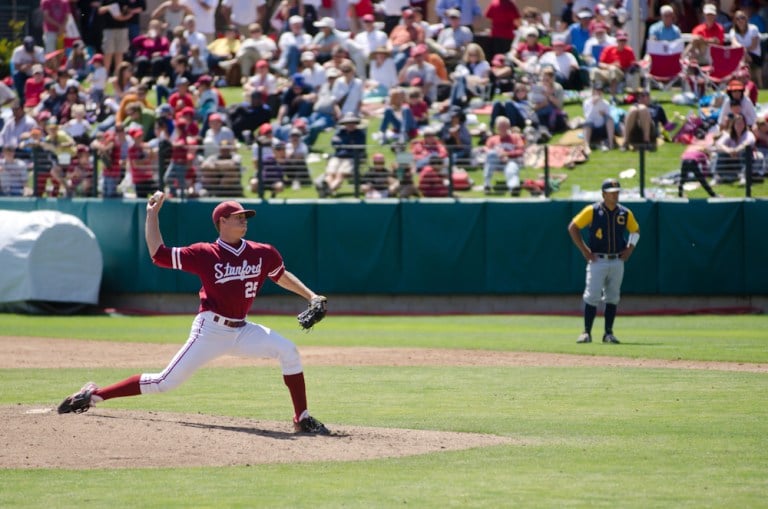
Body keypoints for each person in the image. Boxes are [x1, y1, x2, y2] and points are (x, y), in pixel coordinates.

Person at [57, 197, 331, 436]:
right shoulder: (204, 253)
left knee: (289, 351)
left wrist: (311, 296)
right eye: (238, 217)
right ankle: (93, 395)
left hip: (242, 330)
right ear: (222, 222)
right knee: (164, 383)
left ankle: (302, 418)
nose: (244, 221)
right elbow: (158, 255)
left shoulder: (262, 252)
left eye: (245, 217)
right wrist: (152, 215)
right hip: (210, 331)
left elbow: (280, 275)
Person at [568, 178, 640, 344]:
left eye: (617, 192)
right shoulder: (592, 210)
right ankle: (586, 332)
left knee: (613, 297)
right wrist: (584, 250)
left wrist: (630, 248)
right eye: (611, 193)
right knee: (592, 295)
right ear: (603, 194)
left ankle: (608, 333)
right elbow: (573, 227)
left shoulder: (624, 212)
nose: (615, 195)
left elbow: (635, 230)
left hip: (616, 259)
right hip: (597, 259)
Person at [316, 113, 366, 197]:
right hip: (337, 157)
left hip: (351, 158)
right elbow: (334, 143)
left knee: (340, 174)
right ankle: (326, 187)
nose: (350, 125)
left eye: (352, 122)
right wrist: (345, 144)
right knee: (330, 173)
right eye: (348, 123)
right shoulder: (340, 132)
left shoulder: (360, 134)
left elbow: (358, 147)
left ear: (355, 123)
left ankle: (327, 190)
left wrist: (344, 145)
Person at [482, 116, 524, 196]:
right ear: (496, 127)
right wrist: (498, 154)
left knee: (511, 168)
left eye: (505, 126)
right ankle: (487, 185)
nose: (502, 128)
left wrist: (507, 154)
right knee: (491, 155)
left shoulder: (515, 137)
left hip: (511, 161)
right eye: (500, 126)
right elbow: (486, 149)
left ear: (509, 127)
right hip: (495, 162)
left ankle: (514, 188)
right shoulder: (492, 139)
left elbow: (521, 150)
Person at [714, 113, 756, 184]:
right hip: (732, 159)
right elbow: (719, 144)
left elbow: (749, 142)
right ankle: (717, 177)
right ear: (733, 125)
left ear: (744, 124)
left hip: (744, 159)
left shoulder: (748, 134)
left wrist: (736, 150)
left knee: (745, 151)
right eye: (737, 123)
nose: (739, 125)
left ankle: (743, 176)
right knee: (720, 153)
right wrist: (729, 150)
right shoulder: (729, 134)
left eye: (741, 123)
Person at [730, 10, 762, 88]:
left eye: (742, 18)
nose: (740, 20)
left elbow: (754, 45)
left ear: (746, 19)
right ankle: (743, 86)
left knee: (743, 59)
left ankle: (748, 86)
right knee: (741, 58)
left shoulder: (753, 28)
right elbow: (734, 43)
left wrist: (744, 50)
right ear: (735, 21)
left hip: (754, 55)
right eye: (738, 18)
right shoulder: (733, 31)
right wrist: (743, 50)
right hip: (741, 56)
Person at [11, 36, 46, 105]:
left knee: (45, 75)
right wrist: (23, 67)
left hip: (36, 73)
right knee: (17, 75)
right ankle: (22, 99)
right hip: (23, 73)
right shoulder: (18, 51)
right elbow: (16, 66)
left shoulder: (40, 50)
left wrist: (34, 60)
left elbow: (43, 65)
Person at [582, 86, 614, 153]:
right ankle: (586, 146)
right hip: (592, 130)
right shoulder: (587, 102)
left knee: (610, 119)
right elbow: (587, 117)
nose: (599, 93)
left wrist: (604, 114)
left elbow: (608, 117)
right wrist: (593, 105)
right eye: (597, 91)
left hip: (602, 129)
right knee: (587, 123)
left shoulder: (606, 103)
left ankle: (611, 143)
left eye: (600, 91)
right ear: (593, 92)